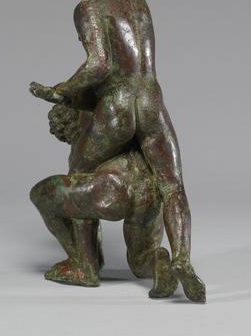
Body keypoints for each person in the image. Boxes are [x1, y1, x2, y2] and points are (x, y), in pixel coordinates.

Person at [30, 0, 205, 302]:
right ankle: (181, 260)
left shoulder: (88, 6)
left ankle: (84, 265)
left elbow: (101, 63)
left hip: (118, 105)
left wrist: (62, 90)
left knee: (79, 171)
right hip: (151, 100)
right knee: (172, 183)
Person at [30, 101, 177, 298]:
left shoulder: (88, 129)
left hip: (114, 188)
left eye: (63, 132)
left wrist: (89, 260)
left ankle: (83, 266)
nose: (65, 137)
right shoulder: (125, 112)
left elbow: (77, 203)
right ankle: (159, 262)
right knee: (140, 261)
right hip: (149, 191)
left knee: (44, 195)